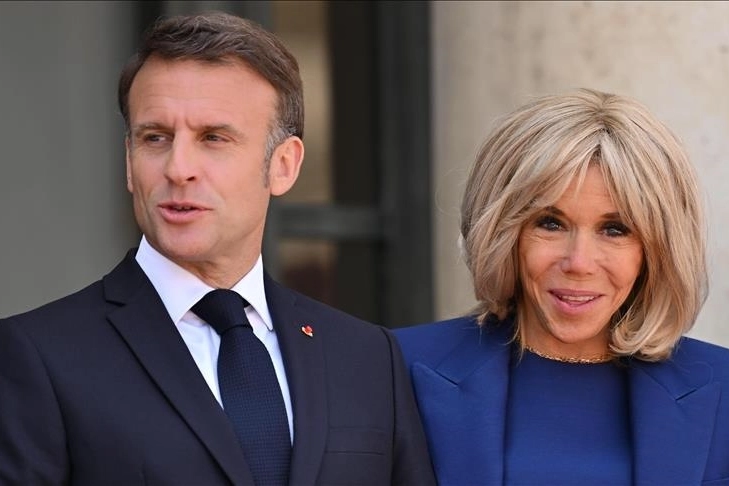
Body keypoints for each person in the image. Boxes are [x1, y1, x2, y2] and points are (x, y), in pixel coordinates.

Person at [0, 11, 435, 486]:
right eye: (155, 138)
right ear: (129, 161)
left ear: (284, 165)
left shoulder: (367, 357)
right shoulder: (38, 356)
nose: (178, 168)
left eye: (213, 138)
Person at [395, 88, 729, 485]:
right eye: (550, 223)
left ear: (656, 249)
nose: (579, 263)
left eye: (615, 229)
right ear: (503, 232)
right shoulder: (396, 370)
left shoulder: (722, 387)